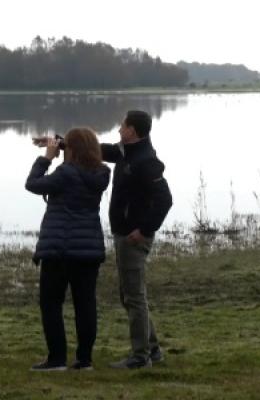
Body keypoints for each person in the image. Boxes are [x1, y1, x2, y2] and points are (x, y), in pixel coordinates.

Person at [25, 128, 111, 371]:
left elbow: (33, 184)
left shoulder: (65, 173)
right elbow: (84, 156)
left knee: (51, 303)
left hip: (59, 250)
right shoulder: (102, 173)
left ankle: (57, 359)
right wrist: (63, 144)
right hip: (88, 249)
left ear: (71, 151)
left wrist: (46, 158)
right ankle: (84, 360)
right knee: (85, 304)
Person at [101, 110, 173, 369]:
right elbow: (101, 151)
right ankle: (152, 351)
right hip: (123, 235)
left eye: (122, 125)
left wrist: (144, 230)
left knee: (134, 297)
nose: (119, 129)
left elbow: (165, 200)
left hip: (133, 238)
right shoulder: (126, 153)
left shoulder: (146, 161)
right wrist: (64, 144)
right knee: (129, 296)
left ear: (132, 130)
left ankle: (140, 357)